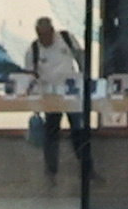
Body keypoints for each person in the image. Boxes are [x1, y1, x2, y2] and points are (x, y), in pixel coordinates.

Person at [24, 14, 92, 192]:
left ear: (52, 31)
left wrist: (84, 79)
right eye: (40, 35)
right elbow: (30, 75)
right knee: (51, 133)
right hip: (49, 95)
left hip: (71, 93)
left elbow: (81, 58)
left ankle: (87, 169)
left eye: (46, 35)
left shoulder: (66, 39)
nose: (44, 39)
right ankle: (51, 171)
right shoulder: (33, 49)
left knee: (79, 131)